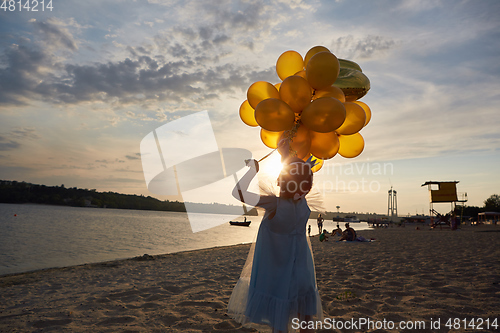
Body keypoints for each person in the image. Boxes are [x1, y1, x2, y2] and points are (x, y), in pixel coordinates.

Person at [227, 148, 323, 332]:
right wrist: (287, 153)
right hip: (303, 270)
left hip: (278, 274)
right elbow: (297, 175)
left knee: (280, 318)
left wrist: (251, 171)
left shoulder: (273, 204)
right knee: (305, 317)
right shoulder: (304, 203)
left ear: (282, 181)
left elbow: (237, 192)